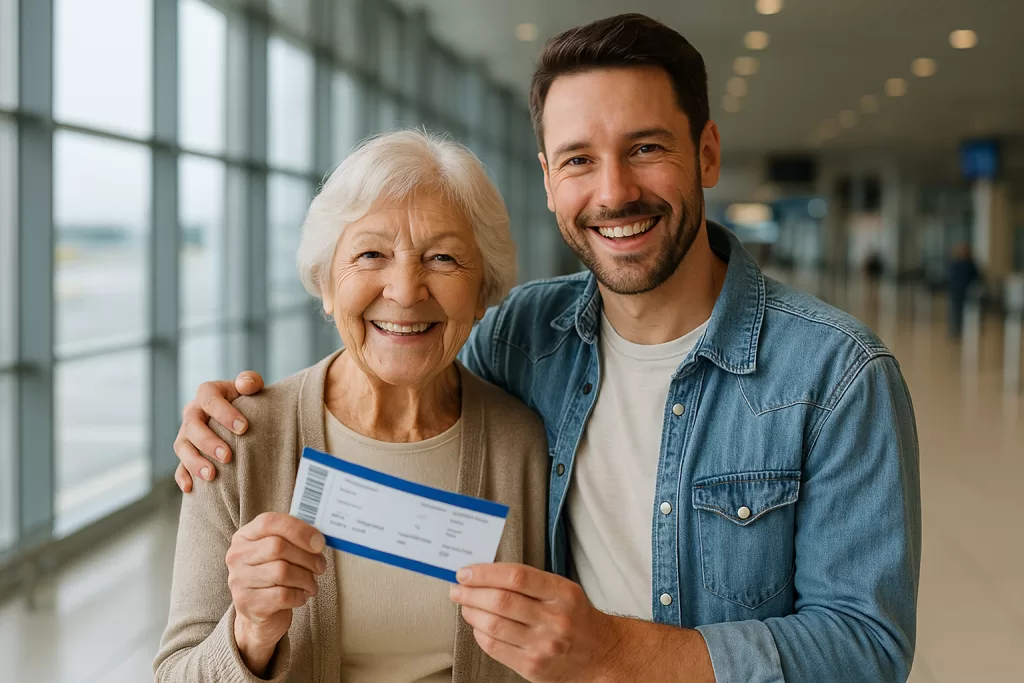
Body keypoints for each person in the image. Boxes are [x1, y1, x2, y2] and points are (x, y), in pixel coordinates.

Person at [172, 14, 921, 683]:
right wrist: (229, 414)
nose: (614, 191)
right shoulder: (524, 340)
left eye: (647, 147)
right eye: (578, 160)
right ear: (549, 179)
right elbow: (397, 346)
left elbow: (865, 646)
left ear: (708, 152)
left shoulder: (836, 374)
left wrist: (610, 652)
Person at [154, 130, 549, 682]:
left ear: (485, 290)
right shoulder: (239, 437)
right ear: (325, 282)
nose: (406, 291)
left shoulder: (525, 443)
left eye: (443, 257)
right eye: (371, 254)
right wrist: (250, 633)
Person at [946, 240, 981, 339]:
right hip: (956, 293)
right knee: (954, 313)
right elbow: (950, 278)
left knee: (968, 315)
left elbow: (977, 278)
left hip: (968, 294)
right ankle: (954, 333)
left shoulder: (971, 264)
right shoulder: (954, 263)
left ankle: (967, 332)